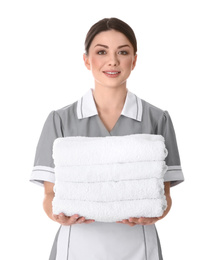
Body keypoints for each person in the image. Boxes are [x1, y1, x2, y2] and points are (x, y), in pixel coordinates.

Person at [30, 17, 184, 260]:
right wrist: (57, 214)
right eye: (102, 51)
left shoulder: (157, 119)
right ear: (86, 60)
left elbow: (164, 195)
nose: (113, 60)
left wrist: (156, 213)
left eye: (122, 52)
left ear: (134, 60)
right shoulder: (59, 120)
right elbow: (50, 196)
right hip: (76, 247)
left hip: (139, 247)